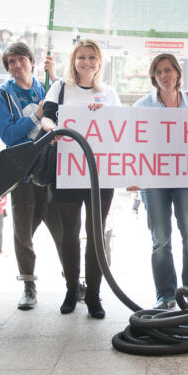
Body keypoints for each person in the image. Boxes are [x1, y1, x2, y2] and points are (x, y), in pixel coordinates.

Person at [0, 41, 76, 312]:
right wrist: (36, 115)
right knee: (23, 234)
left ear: (31, 62)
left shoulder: (46, 87)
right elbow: (7, 135)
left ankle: (73, 282)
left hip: (50, 172)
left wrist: (56, 75)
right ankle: (28, 284)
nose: (17, 66)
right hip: (23, 176)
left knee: (63, 232)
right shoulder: (1, 96)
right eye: (11, 62)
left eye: (21, 60)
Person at [41, 39, 119, 318]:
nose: (87, 62)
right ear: (73, 60)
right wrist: (55, 129)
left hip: (101, 174)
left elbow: (120, 128)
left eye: (92, 57)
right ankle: (72, 289)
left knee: (96, 234)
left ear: (100, 62)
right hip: (68, 170)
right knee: (70, 234)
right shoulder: (61, 87)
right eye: (82, 57)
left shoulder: (109, 93)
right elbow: (46, 118)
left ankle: (95, 295)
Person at [130, 53, 188, 310]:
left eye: (168, 70)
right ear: (153, 76)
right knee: (160, 237)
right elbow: (131, 142)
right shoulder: (142, 106)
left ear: (177, 73)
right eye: (159, 72)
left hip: (187, 176)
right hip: (154, 178)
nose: (164, 76)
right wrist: (132, 175)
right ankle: (165, 295)